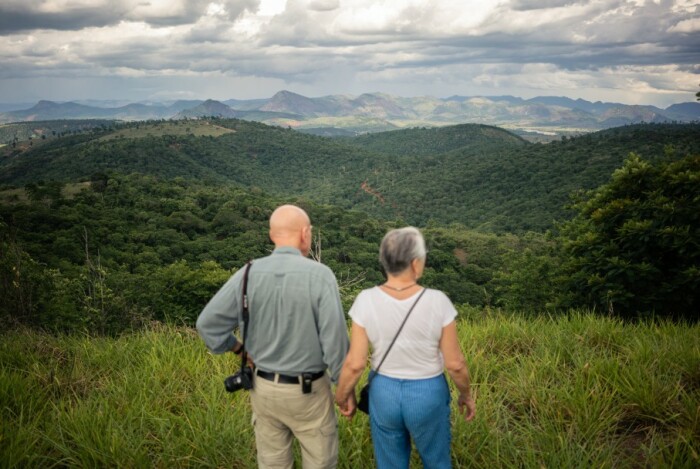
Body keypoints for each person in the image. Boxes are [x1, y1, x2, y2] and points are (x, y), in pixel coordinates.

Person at [196, 204, 349, 469]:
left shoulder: (247, 274)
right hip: (308, 392)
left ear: (272, 235)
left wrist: (239, 349)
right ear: (305, 234)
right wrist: (344, 388)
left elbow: (207, 324)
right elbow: (335, 342)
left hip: (263, 389)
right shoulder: (321, 276)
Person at [334, 227, 476, 469]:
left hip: (384, 392)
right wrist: (465, 394)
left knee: (390, 463)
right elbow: (455, 364)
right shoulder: (437, 301)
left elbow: (355, 363)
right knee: (437, 460)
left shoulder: (365, 299)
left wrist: (342, 395)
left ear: (384, 262)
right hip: (427, 391)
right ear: (416, 263)